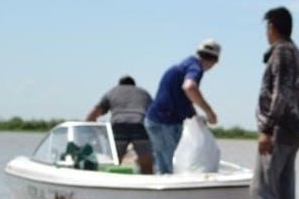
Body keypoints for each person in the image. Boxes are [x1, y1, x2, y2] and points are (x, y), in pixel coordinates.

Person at [253, 6, 299, 199]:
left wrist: (267, 129)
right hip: (293, 129)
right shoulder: (298, 54)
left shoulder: (282, 53)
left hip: (278, 131)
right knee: (284, 192)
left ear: (272, 28)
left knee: (262, 191)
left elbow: (281, 94)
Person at [144, 39, 221, 174]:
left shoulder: (185, 65)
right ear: (214, 61)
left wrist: (195, 117)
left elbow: (182, 98)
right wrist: (209, 112)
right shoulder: (195, 67)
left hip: (158, 120)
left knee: (163, 163)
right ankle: (172, 193)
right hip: (164, 122)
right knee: (170, 165)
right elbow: (189, 87)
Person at [86, 75, 154, 173]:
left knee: (115, 162)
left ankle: (112, 184)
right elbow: (153, 112)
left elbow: (94, 113)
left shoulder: (112, 92)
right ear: (134, 85)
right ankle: (148, 183)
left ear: (120, 84)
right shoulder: (143, 92)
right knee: (146, 164)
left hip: (119, 126)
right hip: (140, 125)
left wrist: (92, 130)